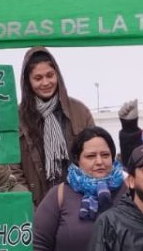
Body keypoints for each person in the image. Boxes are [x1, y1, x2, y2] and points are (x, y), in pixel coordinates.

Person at [18, 47, 95, 205]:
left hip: (78, 204)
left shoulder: (80, 111)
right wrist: (31, 209)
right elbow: (12, 170)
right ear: (28, 82)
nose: (45, 83)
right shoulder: (17, 118)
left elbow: (94, 155)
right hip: (36, 207)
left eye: (50, 75)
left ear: (57, 75)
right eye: (38, 78)